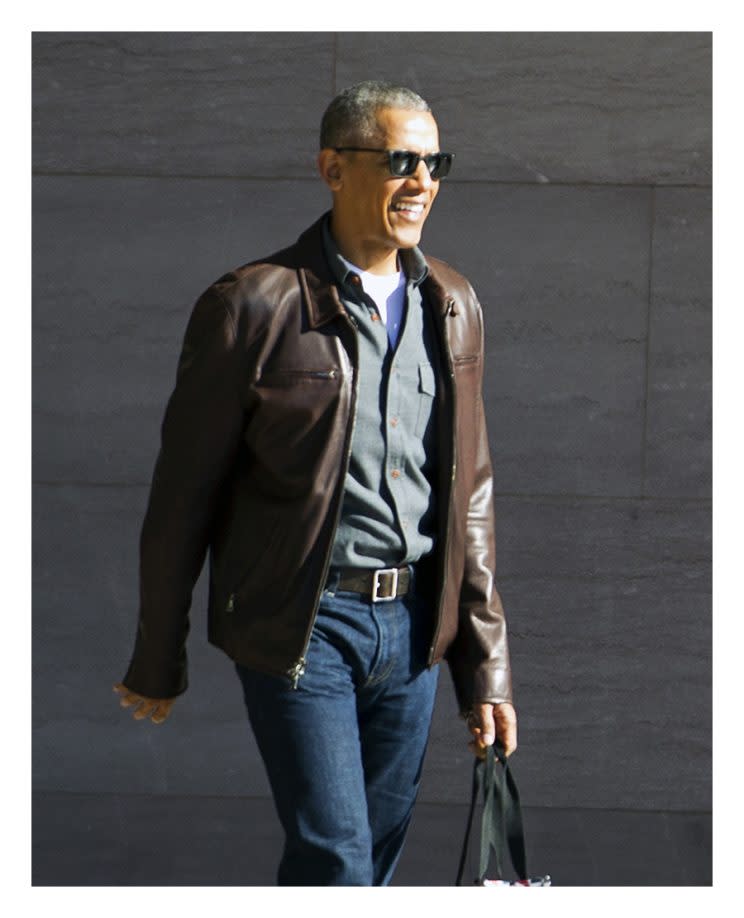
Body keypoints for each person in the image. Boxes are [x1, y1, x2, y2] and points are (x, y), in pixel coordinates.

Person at [114, 80, 517, 886]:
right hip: (305, 626)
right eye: (400, 159)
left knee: (373, 862)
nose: (422, 181)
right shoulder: (251, 306)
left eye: (436, 162)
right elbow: (181, 498)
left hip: (411, 629)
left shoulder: (453, 303)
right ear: (333, 167)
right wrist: (158, 656)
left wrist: (484, 668)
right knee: (336, 855)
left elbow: (468, 493)